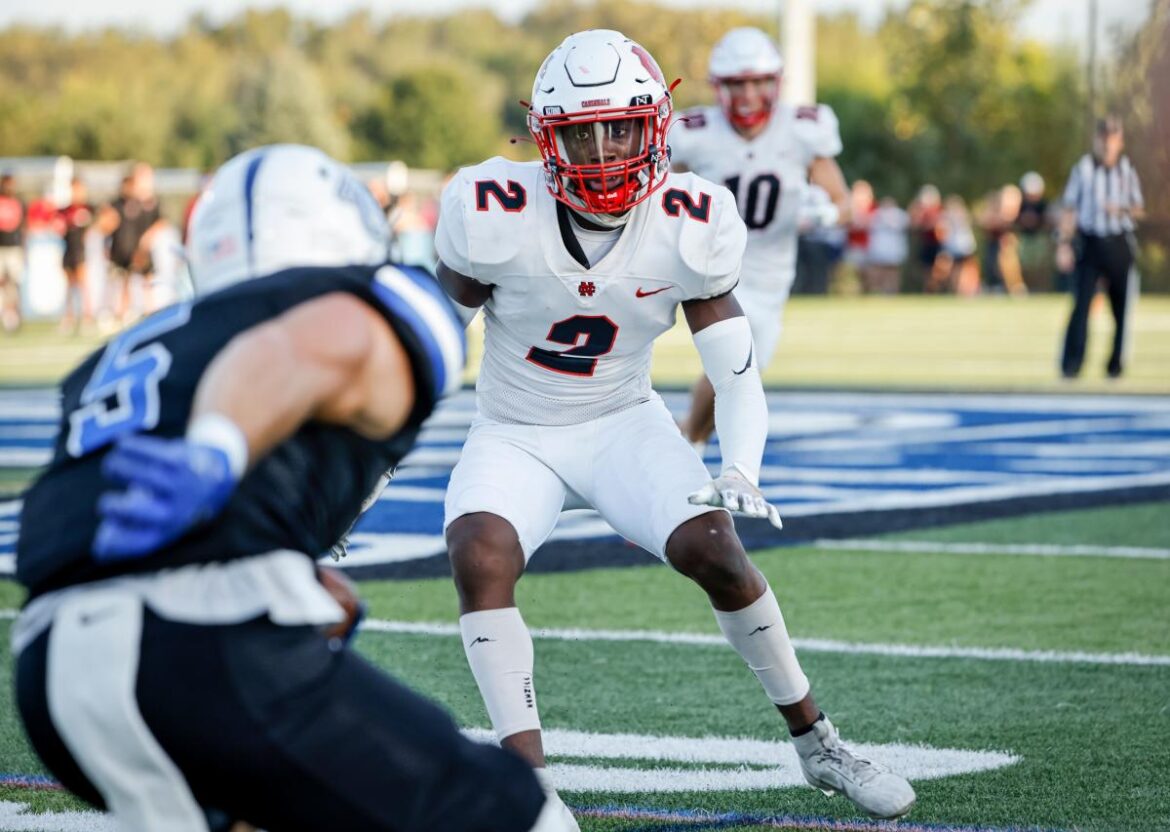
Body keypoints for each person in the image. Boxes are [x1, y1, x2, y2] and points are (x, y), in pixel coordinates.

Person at [434, 30, 916, 827]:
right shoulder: (493, 210)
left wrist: (742, 466)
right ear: (545, 138)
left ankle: (818, 742)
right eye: (581, 136)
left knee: (716, 549)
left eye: (619, 130)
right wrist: (367, 453)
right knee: (478, 552)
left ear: (654, 127)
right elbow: (426, 343)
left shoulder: (689, 219)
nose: (602, 155)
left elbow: (736, 373)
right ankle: (531, 790)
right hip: (514, 429)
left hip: (621, 422)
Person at [13, 145, 567, 832]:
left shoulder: (132, 348)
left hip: (51, 671)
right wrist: (219, 447)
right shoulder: (347, 307)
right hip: (196, 643)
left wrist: (283, 568)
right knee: (516, 812)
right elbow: (297, 346)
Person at [670, 27, 849, 448]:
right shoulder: (695, 131)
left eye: (758, 82)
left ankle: (688, 439)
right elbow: (659, 192)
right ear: (719, 87)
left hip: (770, 274)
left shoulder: (802, 128)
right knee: (734, 363)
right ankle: (674, 440)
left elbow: (845, 203)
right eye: (737, 83)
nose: (748, 94)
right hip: (712, 261)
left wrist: (825, 213)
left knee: (738, 373)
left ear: (776, 83)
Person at [1058, 116, 1145, 379]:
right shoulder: (1083, 169)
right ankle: (1072, 365)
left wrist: (1120, 210)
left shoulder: (1127, 170)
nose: (1107, 144)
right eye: (1103, 138)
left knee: (1122, 309)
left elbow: (1139, 209)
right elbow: (1069, 208)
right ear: (1096, 140)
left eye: (1112, 139)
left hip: (1119, 242)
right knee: (1081, 304)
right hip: (1090, 242)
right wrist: (1064, 243)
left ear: (1120, 142)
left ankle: (1115, 366)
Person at [58, 177, 96, 333]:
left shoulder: (89, 208)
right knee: (69, 286)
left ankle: (87, 317)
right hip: (69, 249)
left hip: (81, 250)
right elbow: (58, 227)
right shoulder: (65, 210)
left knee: (83, 285)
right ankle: (69, 317)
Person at [0, 171, 26, 332]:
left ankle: (15, 313)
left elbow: (22, 226)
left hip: (14, 248)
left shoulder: (18, 202)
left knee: (14, 283)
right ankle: (5, 313)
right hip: (1, 247)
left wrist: (24, 247)